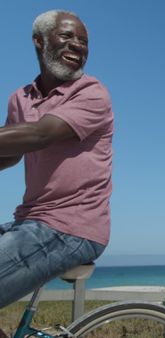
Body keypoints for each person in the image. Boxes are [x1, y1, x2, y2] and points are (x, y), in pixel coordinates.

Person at [0, 9, 113, 316]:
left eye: (84, 41)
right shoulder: (19, 99)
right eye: (67, 36)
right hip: (28, 221)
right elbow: (10, 153)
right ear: (39, 41)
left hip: (72, 228)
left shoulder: (91, 93)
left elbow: (39, 135)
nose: (78, 45)